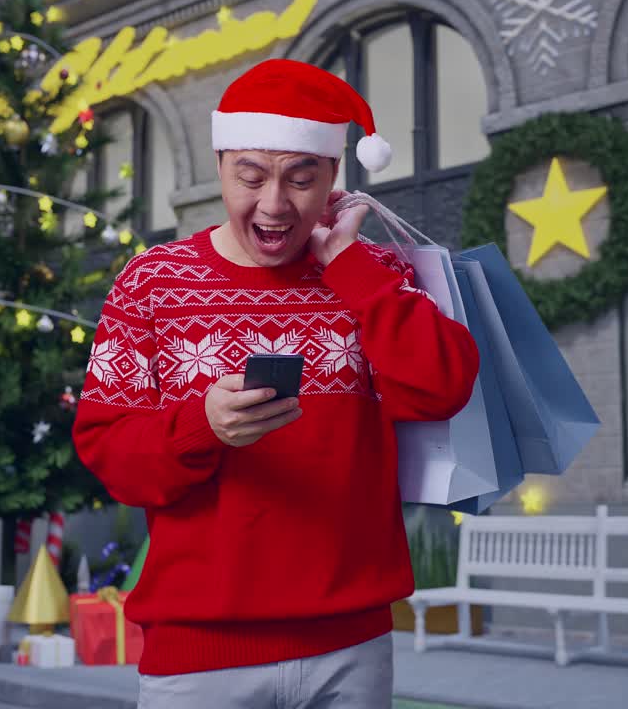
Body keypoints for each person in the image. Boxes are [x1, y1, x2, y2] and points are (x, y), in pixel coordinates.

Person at [72, 58, 480, 708]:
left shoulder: (371, 273)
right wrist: (200, 426)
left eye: (300, 179)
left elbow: (443, 386)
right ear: (220, 166)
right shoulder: (151, 282)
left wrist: (349, 264)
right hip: (198, 655)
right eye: (251, 176)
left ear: (333, 181)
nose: (273, 204)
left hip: (351, 647)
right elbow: (110, 455)